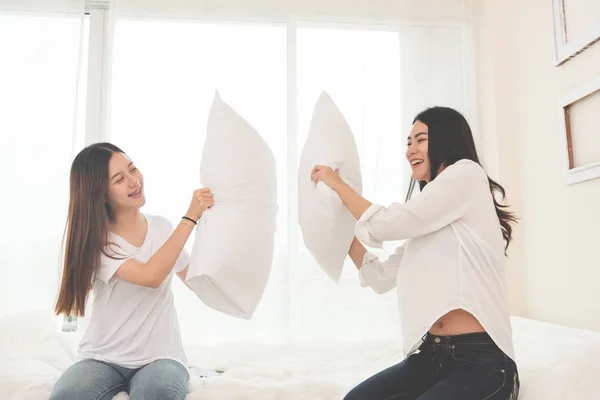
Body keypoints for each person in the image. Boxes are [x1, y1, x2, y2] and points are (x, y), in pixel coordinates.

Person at [312, 106, 520, 400]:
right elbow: (381, 277)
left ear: (446, 139)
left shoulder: (467, 174)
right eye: (408, 142)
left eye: (420, 139)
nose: (410, 150)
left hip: (482, 364)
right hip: (428, 358)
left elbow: (387, 223)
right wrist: (343, 234)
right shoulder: (428, 219)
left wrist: (338, 184)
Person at [50, 142, 214, 400]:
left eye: (133, 169)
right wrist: (191, 217)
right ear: (101, 194)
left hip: (161, 357)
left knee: (157, 394)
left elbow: (197, 279)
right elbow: (150, 276)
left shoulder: (162, 228)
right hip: (102, 358)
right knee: (66, 396)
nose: (134, 181)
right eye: (119, 179)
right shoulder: (98, 242)